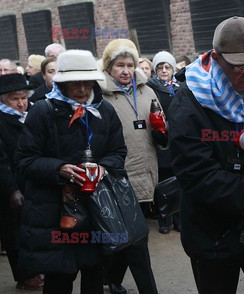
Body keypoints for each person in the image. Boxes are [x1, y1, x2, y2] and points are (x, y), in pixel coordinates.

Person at [168, 16, 244, 294]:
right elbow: (198, 177)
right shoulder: (188, 103)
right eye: (239, 66)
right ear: (216, 58)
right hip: (213, 234)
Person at [14, 50, 128, 294]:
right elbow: (24, 160)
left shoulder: (104, 111)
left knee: (94, 275)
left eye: (87, 82)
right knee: (58, 279)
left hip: (97, 209)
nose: (82, 89)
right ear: (62, 82)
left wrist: (103, 167)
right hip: (52, 212)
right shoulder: (42, 111)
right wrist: (59, 169)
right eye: (75, 82)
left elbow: (118, 152)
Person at [100, 38, 161, 294]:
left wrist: (163, 133)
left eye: (129, 65)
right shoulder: (100, 95)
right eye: (119, 66)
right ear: (108, 68)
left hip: (147, 171)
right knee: (138, 239)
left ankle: (110, 280)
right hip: (118, 177)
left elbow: (160, 123)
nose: (126, 70)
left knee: (131, 234)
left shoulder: (147, 90)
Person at [0, 73, 43, 291]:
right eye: (15, 99)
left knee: (33, 230)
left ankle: (36, 268)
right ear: (3, 100)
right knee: (14, 233)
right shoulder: (2, 120)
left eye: (24, 98)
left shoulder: (31, 115)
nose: (21, 103)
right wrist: (12, 190)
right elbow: (1, 161)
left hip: (33, 182)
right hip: (12, 186)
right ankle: (24, 275)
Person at [147, 50, 180, 234]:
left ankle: (178, 219)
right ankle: (164, 219)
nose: (164, 70)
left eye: (168, 67)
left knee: (178, 181)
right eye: (160, 67)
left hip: (178, 139)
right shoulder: (152, 88)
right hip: (161, 140)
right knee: (163, 182)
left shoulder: (180, 87)